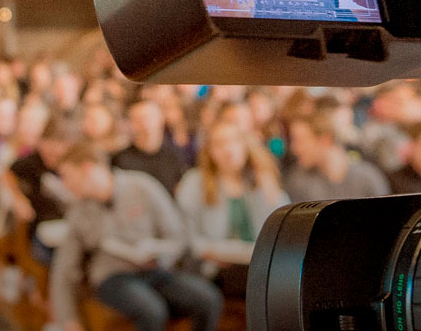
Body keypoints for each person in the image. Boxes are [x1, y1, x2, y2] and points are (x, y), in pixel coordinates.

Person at [50, 144, 222, 331]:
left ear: (87, 168)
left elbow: (178, 236)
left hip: (155, 270)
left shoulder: (142, 187)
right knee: (151, 310)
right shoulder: (78, 210)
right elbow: (64, 268)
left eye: (67, 176)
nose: (65, 185)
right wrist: (68, 319)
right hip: (113, 277)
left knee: (208, 299)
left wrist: (160, 254)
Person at [174, 121, 289, 297]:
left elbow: (284, 230)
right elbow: (191, 241)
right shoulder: (195, 182)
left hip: (259, 264)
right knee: (263, 283)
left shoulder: (260, 180)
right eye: (219, 144)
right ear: (209, 151)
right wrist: (231, 253)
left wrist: (268, 188)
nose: (228, 150)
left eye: (234, 141)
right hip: (215, 269)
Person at [2, 118, 79, 265]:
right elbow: (8, 173)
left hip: (67, 229)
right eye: (48, 144)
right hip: (40, 232)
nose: (53, 152)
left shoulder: (70, 166)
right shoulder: (32, 162)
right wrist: (18, 199)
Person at [284, 114, 390, 202]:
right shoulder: (297, 181)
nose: (294, 149)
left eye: (300, 141)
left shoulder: (367, 177)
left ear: (325, 140)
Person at [113, 101, 189, 195]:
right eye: (138, 119)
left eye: (149, 118)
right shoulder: (120, 159)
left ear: (161, 119)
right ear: (130, 124)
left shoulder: (175, 155)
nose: (145, 124)